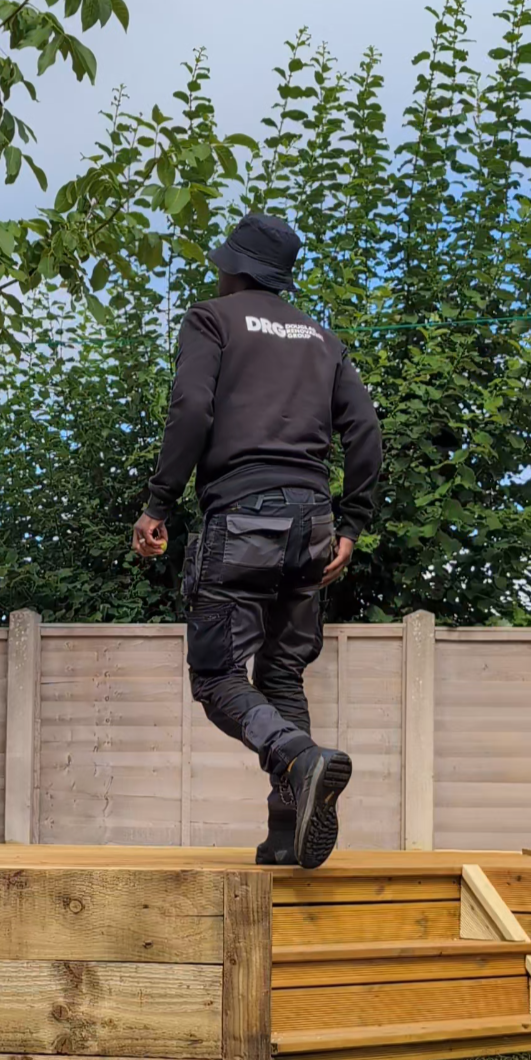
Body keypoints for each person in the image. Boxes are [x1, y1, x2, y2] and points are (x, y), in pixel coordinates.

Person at [132, 213, 382, 868]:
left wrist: (159, 502)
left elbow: (190, 408)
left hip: (241, 518)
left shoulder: (211, 318)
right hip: (312, 524)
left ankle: (297, 759)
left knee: (217, 676)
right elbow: (366, 433)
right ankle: (283, 833)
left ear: (232, 266)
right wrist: (350, 524)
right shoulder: (322, 339)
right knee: (279, 669)